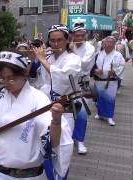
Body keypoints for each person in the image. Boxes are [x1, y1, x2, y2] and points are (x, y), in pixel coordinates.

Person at [0, 50, 67, 179]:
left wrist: (56, 120)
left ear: (24, 73)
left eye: (11, 78)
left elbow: (53, 142)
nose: (7, 83)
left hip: (31, 175)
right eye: (3, 78)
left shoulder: (40, 99)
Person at [33, 24, 82, 179]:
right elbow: (42, 83)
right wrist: (35, 59)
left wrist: (42, 59)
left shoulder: (74, 59)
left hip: (65, 111)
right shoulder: (48, 57)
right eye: (52, 41)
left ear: (67, 40)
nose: (55, 44)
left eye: (60, 40)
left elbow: (62, 78)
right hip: (46, 110)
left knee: (61, 149)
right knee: (45, 146)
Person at [70, 24, 96, 155]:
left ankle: (80, 141)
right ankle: (68, 138)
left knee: (82, 113)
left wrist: (71, 53)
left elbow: (85, 65)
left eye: (82, 35)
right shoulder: (68, 45)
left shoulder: (90, 48)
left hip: (81, 83)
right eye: (77, 35)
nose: (80, 38)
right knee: (67, 112)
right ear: (72, 35)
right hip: (67, 84)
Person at [93, 36, 125, 126]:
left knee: (110, 99)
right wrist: (95, 70)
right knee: (100, 98)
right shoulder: (98, 54)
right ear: (104, 43)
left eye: (112, 42)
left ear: (114, 44)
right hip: (99, 79)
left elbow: (122, 65)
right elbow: (92, 66)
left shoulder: (118, 55)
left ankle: (109, 117)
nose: (109, 44)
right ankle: (99, 114)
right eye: (108, 42)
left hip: (111, 81)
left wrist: (115, 71)